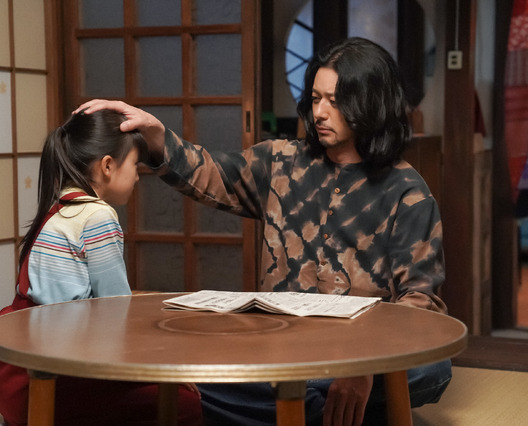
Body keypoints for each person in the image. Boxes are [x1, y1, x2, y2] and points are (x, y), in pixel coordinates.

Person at [75, 37, 452, 425]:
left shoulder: (407, 192)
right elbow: (210, 174)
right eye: (315, 98)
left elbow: (420, 303)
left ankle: (292, 403)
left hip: (359, 349)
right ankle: (310, 407)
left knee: (432, 368)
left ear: (369, 103)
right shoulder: (281, 161)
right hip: (278, 346)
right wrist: (155, 133)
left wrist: (366, 363)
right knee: (188, 360)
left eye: (335, 101)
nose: (319, 112)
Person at [0, 110, 202, 426]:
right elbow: (116, 312)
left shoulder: (58, 207)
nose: (138, 177)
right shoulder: (98, 217)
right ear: (108, 166)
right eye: (135, 165)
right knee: (185, 403)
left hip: (19, 376)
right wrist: (167, 367)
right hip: (56, 376)